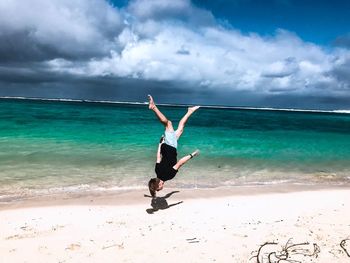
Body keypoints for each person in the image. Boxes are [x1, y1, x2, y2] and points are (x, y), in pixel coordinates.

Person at [147, 95, 200, 197]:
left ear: (159, 185)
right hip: (165, 146)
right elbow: (158, 157)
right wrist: (160, 143)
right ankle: (189, 111)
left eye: (159, 190)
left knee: (168, 124)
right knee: (180, 129)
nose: (161, 190)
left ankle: (153, 107)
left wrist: (192, 154)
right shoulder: (157, 171)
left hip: (171, 146)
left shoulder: (169, 176)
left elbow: (180, 163)